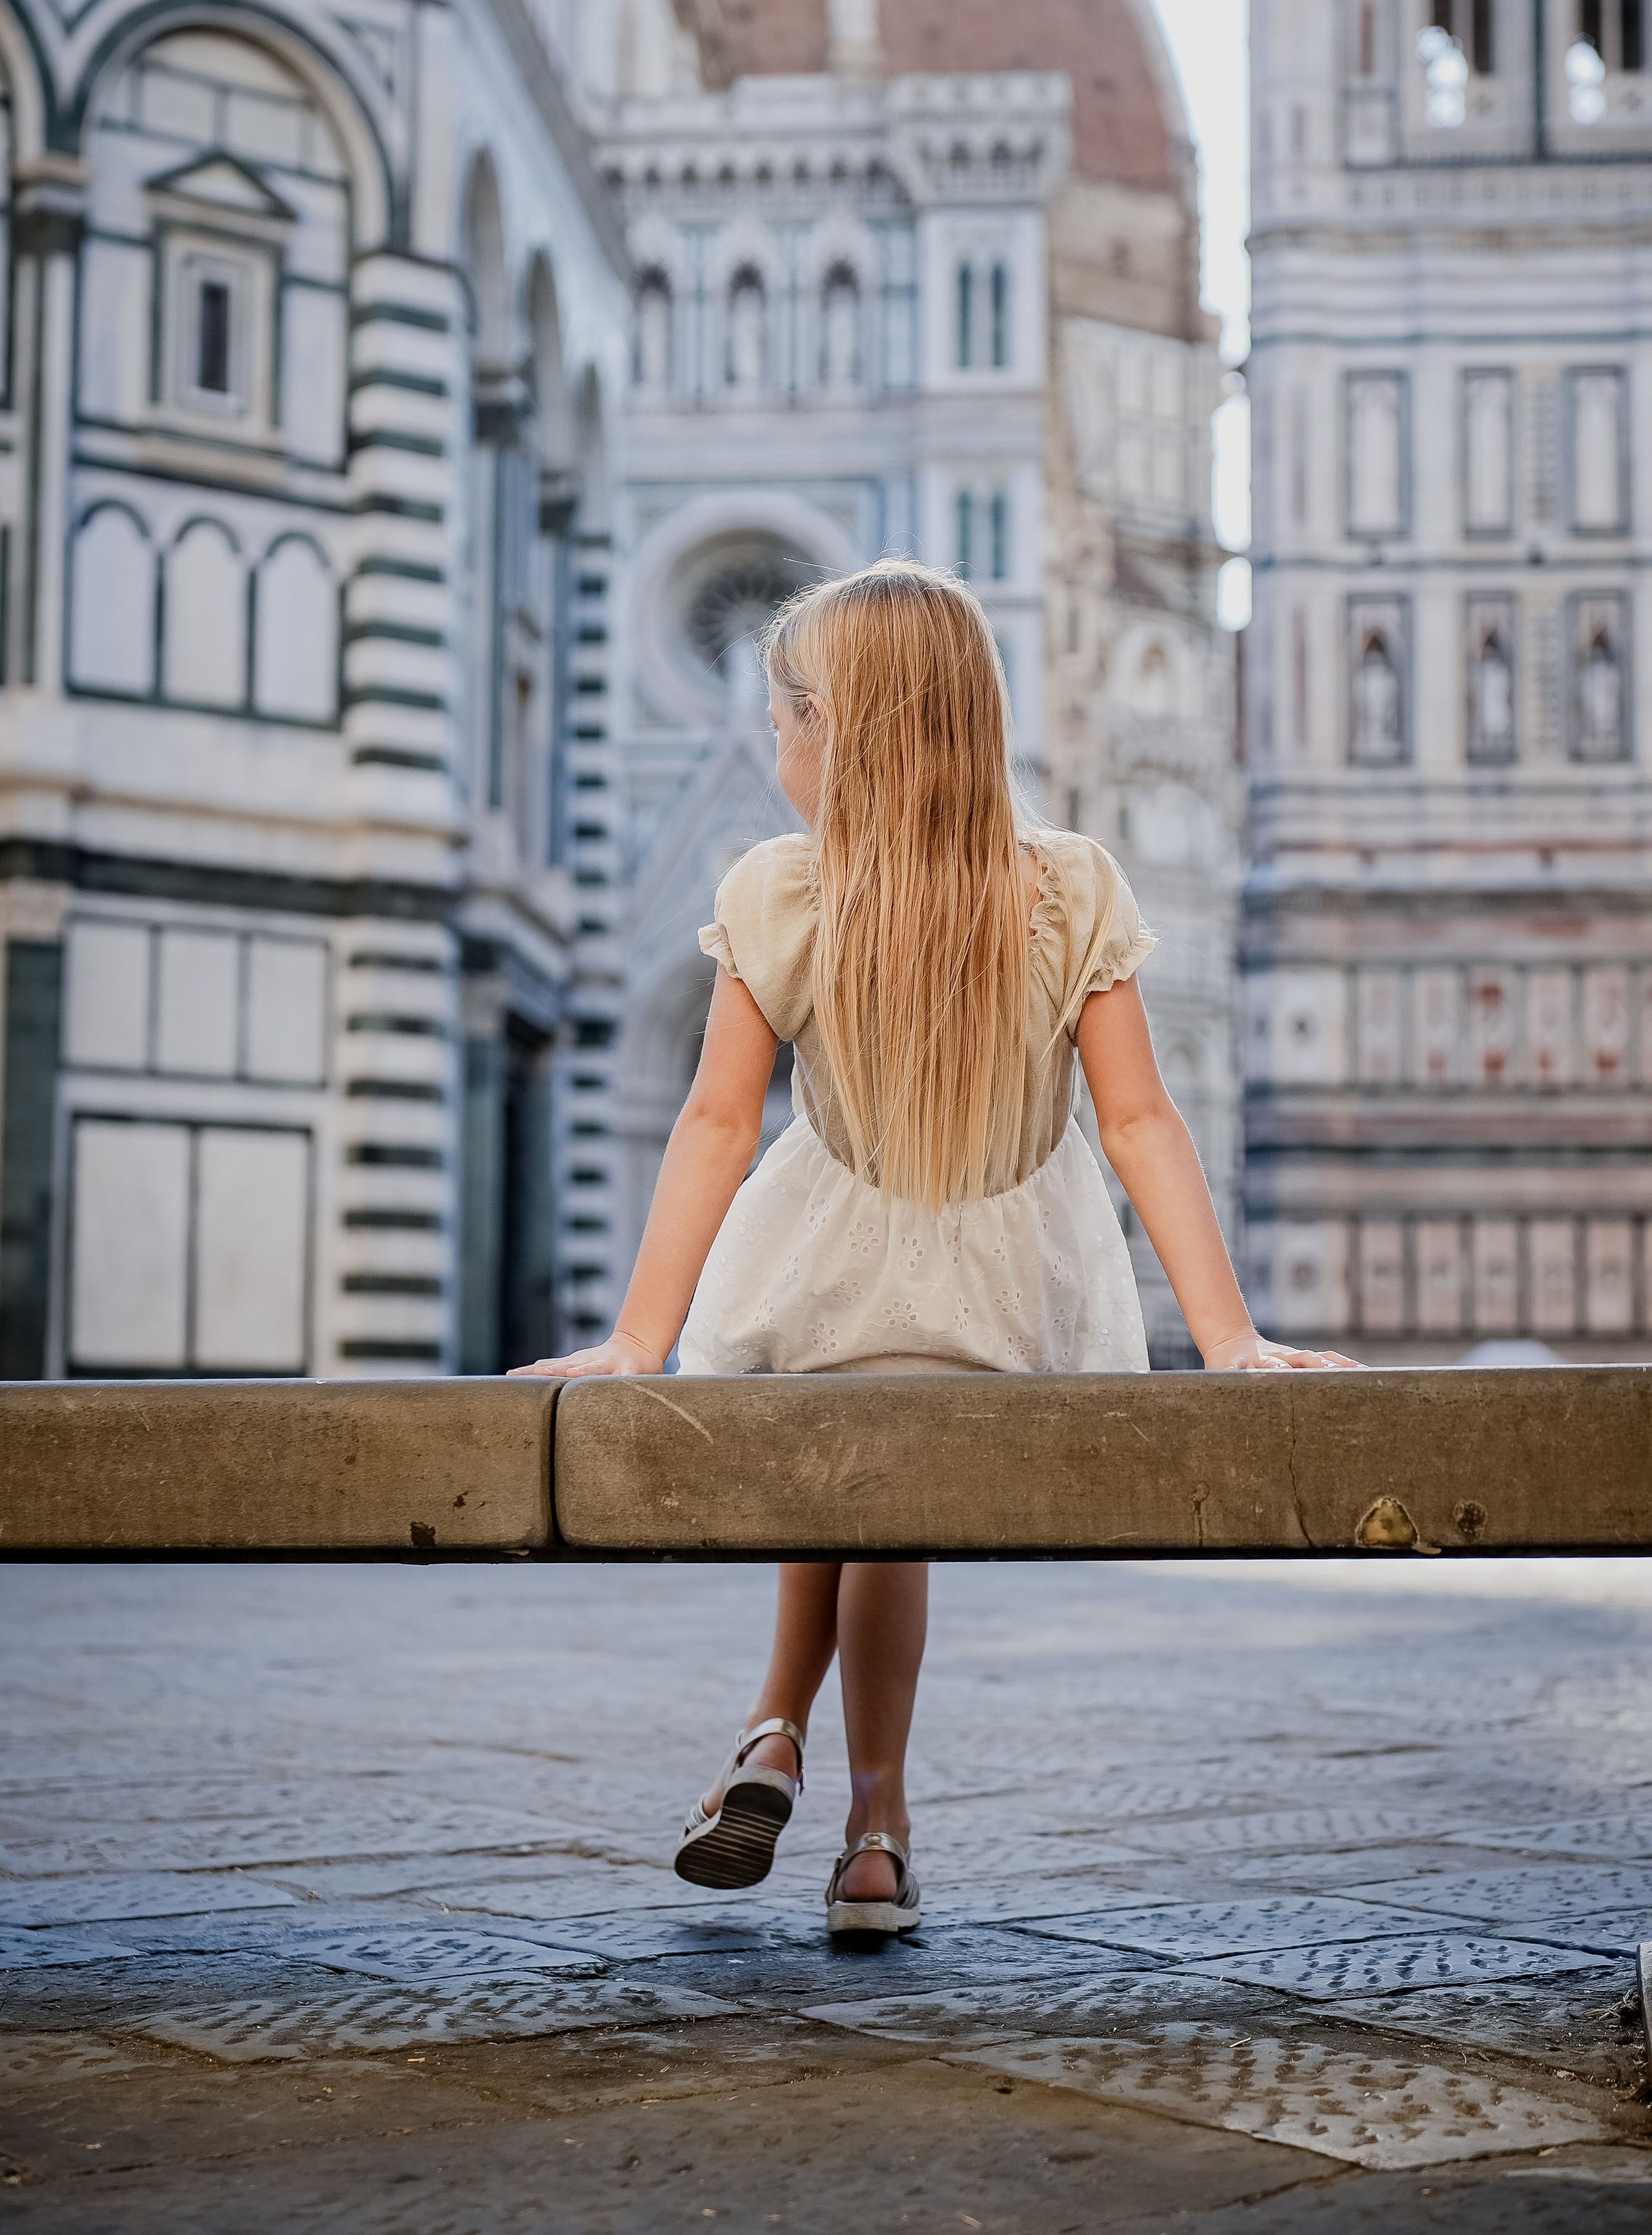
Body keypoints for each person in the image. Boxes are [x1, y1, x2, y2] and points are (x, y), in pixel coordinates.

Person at [512, 562, 1351, 1937]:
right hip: (1005, 1300)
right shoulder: (1068, 884)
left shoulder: (781, 890)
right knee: (876, 1471)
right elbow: (1141, 1120)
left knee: (845, 1431)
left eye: (783, 723)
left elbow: (715, 1122)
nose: (775, 752)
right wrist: (1228, 1341)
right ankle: (872, 1825)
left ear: (835, 731)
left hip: (824, 1274)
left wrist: (638, 1339)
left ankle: (784, 1739)